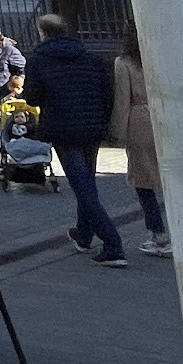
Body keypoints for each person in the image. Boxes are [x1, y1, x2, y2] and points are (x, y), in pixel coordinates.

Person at [21, 15, 126, 267]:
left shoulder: (38, 60)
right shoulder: (91, 57)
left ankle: (113, 245)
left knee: (82, 186)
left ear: (42, 33)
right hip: (91, 127)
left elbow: (33, 97)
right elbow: (106, 93)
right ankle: (84, 234)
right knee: (87, 182)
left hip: (62, 128)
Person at [108, 26, 172, 257]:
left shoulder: (124, 63)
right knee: (169, 177)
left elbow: (123, 99)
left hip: (140, 120)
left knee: (143, 180)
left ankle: (159, 234)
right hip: (165, 116)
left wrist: (118, 131)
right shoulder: (161, 57)